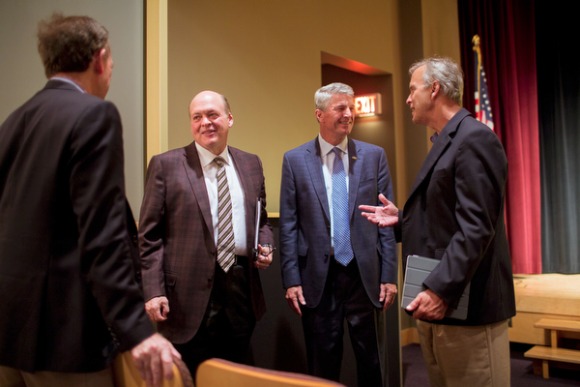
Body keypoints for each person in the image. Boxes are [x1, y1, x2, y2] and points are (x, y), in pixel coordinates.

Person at [0, 13, 179, 387]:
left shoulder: (13, 121)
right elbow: (102, 236)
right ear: (99, 59)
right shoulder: (94, 115)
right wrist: (138, 332)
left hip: (7, 331)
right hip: (61, 341)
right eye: (111, 62)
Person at [359, 56, 516, 386]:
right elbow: (446, 218)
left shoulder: (474, 139)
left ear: (434, 90)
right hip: (441, 306)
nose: (407, 98)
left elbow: (476, 228)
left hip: (466, 308)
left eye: (412, 89)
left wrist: (439, 288)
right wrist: (402, 220)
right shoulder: (447, 140)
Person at [138, 90, 274, 376]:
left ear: (229, 118)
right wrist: (153, 290)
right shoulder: (166, 165)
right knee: (189, 373)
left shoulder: (251, 164)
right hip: (185, 297)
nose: (206, 122)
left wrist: (265, 243)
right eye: (197, 117)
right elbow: (149, 236)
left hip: (241, 289)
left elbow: (261, 220)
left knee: (233, 374)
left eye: (213, 115)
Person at [279, 82, 398, 386]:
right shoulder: (294, 160)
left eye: (351, 107)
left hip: (364, 276)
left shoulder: (374, 156)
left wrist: (388, 276)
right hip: (319, 278)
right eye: (340, 108)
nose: (348, 114)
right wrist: (291, 279)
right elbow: (289, 225)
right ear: (319, 114)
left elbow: (384, 222)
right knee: (323, 364)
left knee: (372, 362)